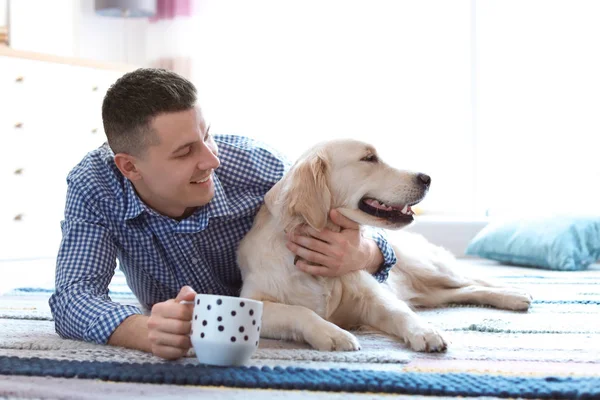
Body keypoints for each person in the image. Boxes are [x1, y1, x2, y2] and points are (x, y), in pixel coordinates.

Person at [49, 68, 397, 360]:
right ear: (130, 167)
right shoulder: (95, 186)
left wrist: (364, 253)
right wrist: (145, 330)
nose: (212, 160)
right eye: (185, 151)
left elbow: (362, 228)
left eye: (207, 135)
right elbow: (72, 296)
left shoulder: (258, 167)